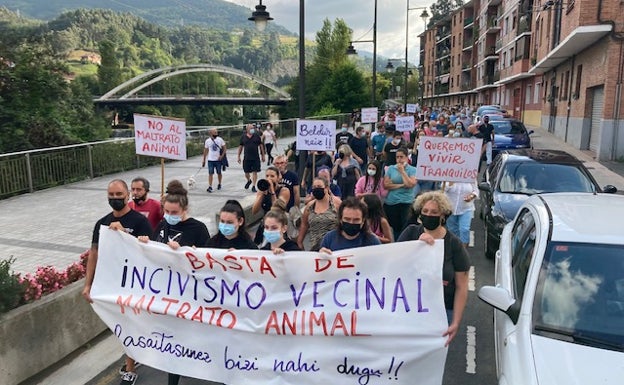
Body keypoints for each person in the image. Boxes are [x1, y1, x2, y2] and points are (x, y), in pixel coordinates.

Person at [137, 180, 210, 385]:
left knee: (190, 337)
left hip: (188, 294)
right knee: (173, 339)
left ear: (185, 209)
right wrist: (145, 243)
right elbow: (154, 250)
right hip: (166, 294)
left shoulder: (198, 228)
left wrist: (184, 252)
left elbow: (207, 261)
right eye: (166, 211)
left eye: (174, 212)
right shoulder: (162, 225)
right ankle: (173, 379)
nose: (170, 215)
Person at [82, 179, 153, 385]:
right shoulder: (101, 223)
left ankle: (130, 366)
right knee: (121, 325)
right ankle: (135, 354)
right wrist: (88, 284)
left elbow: (150, 252)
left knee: (131, 324)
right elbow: (93, 254)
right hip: (112, 283)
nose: (115, 199)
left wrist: (123, 235)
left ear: (128, 195)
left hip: (135, 283)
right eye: (111, 195)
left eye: (119, 194)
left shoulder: (140, 221)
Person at [396, 191, 470, 346]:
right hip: (409, 309)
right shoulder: (411, 233)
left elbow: (462, 286)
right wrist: (416, 246)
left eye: (434, 212)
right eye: (425, 211)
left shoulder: (454, 244)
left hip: (441, 313)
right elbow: (395, 265)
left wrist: (455, 322)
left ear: (443, 215)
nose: (429, 215)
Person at [297, 177, 341, 251]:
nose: (316, 189)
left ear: (326, 188)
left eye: (319, 187)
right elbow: (304, 225)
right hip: (315, 248)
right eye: (314, 187)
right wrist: (300, 242)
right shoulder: (309, 206)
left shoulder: (336, 203)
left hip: (333, 247)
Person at [383, 148, 418, 238]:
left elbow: (410, 184)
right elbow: (386, 185)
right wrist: (402, 185)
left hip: (406, 202)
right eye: (397, 157)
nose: (399, 159)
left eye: (401, 157)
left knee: (406, 226)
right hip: (392, 202)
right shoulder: (391, 169)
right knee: (395, 227)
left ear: (406, 157)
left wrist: (402, 172)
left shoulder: (412, 170)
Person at [252, 166, 290, 245]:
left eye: (272, 176)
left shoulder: (284, 190)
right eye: (267, 176)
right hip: (266, 224)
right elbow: (254, 211)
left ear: (278, 177)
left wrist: (272, 192)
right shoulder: (262, 191)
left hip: (278, 223)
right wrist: (262, 193)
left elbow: (279, 208)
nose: (269, 178)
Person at [444, 181, 479, 247]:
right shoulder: (449, 174)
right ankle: (455, 248)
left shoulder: (470, 175)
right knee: (452, 230)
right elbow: (443, 190)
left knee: (464, 229)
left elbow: (476, 191)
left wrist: (471, 196)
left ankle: (464, 250)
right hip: (450, 208)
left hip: (466, 208)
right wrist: (450, 184)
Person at [238, 123, 266, 193]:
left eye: (252, 128)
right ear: (247, 129)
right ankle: (249, 180)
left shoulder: (256, 136)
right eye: (250, 128)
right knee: (246, 172)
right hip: (247, 157)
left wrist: (263, 155)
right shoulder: (243, 137)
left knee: (255, 172)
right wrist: (238, 156)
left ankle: (253, 185)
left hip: (255, 157)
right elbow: (241, 147)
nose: (252, 130)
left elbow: (261, 145)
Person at [201, 128, 226, 192]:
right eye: (214, 133)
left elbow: (224, 148)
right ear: (211, 133)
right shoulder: (207, 141)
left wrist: (222, 156)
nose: (216, 134)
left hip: (218, 159)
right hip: (210, 159)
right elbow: (205, 150)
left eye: (216, 132)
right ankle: (210, 186)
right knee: (210, 173)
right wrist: (204, 159)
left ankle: (219, 183)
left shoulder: (220, 140)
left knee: (219, 172)